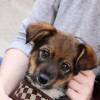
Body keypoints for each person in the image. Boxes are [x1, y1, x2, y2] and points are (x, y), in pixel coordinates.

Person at [0, 0, 100, 100]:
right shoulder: (40, 32)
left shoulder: (85, 56)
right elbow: (24, 41)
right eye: (45, 53)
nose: (44, 75)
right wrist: (1, 90)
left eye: (65, 66)